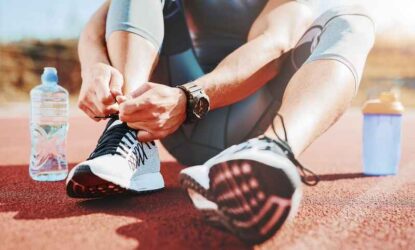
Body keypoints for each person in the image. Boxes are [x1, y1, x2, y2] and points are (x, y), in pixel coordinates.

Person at [66, 0, 375, 244]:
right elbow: (99, 24)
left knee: (352, 20)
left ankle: (272, 149)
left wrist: (189, 99)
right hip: (167, 117)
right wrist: (94, 66)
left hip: (247, 118)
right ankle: (130, 128)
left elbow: (275, 43)